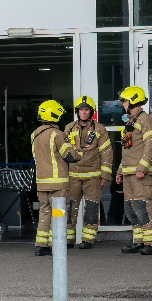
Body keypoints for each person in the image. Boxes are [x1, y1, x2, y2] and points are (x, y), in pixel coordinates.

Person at [63, 96, 113, 249]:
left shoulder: (99, 129)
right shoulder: (69, 128)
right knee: (70, 207)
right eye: (81, 110)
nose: (83, 113)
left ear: (91, 112)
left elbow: (107, 152)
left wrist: (105, 175)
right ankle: (68, 239)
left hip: (92, 176)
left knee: (91, 207)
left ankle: (88, 240)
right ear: (77, 111)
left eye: (86, 110)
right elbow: (62, 152)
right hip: (72, 176)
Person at [116, 86, 152, 255]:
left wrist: (142, 168)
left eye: (125, 101)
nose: (123, 104)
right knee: (131, 208)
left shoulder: (146, 120)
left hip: (140, 174)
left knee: (142, 207)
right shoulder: (130, 121)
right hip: (128, 173)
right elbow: (127, 150)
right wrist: (120, 171)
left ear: (133, 101)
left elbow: (150, 146)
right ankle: (139, 241)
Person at [31, 100, 77, 257]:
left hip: (41, 182)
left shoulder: (35, 134)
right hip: (58, 183)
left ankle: (40, 245)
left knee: (44, 212)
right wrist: (79, 151)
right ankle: (54, 244)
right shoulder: (57, 134)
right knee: (58, 214)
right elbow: (69, 156)